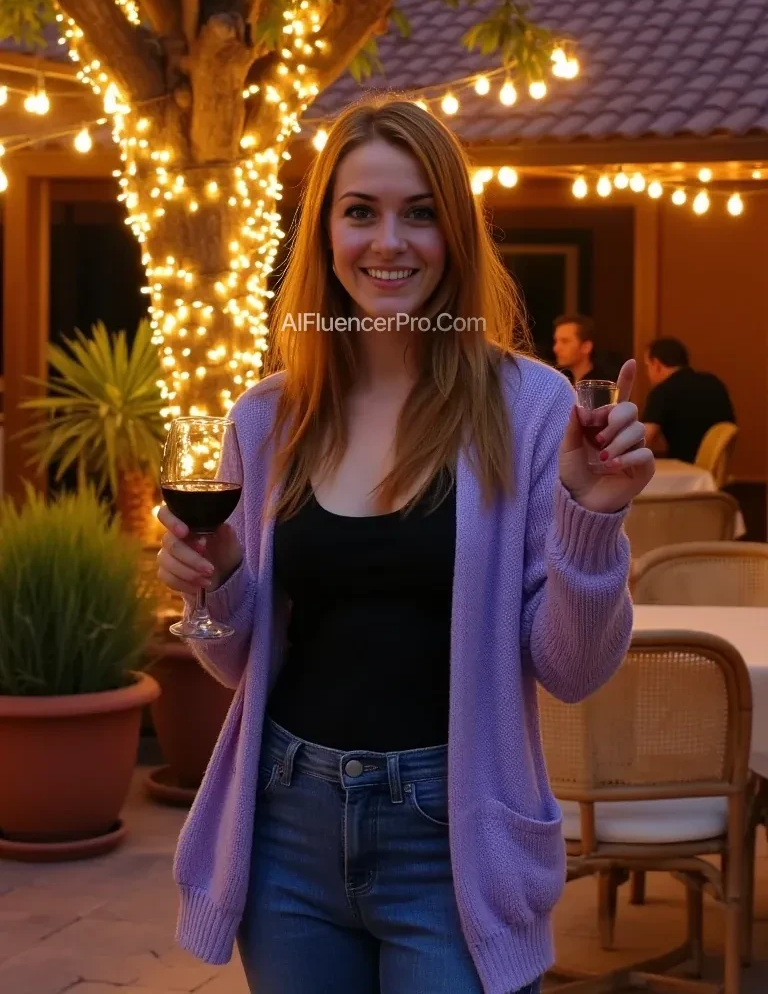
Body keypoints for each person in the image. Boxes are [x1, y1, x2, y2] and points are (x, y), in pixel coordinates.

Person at [157, 97, 653, 994]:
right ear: (326, 234)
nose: (390, 240)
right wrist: (219, 578)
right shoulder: (267, 419)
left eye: (420, 212)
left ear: (456, 234)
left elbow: (573, 670)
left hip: (451, 841)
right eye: (362, 211)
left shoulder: (531, 409)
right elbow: (240, 665)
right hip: (286, 826)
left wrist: (593, 518)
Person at [643, 337, 735, 465]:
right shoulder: (713, 383)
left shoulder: (662, 391)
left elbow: (645, 439)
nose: (647, 374)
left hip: (683, 470)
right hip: (714, 472)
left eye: (647, 366)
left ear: (656, 365)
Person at [553, 313, 617, 384]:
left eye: (565, 341)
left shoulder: (602, 386)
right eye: (556, 341)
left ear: (586, 347)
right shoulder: (555, 382)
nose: (556, 348)